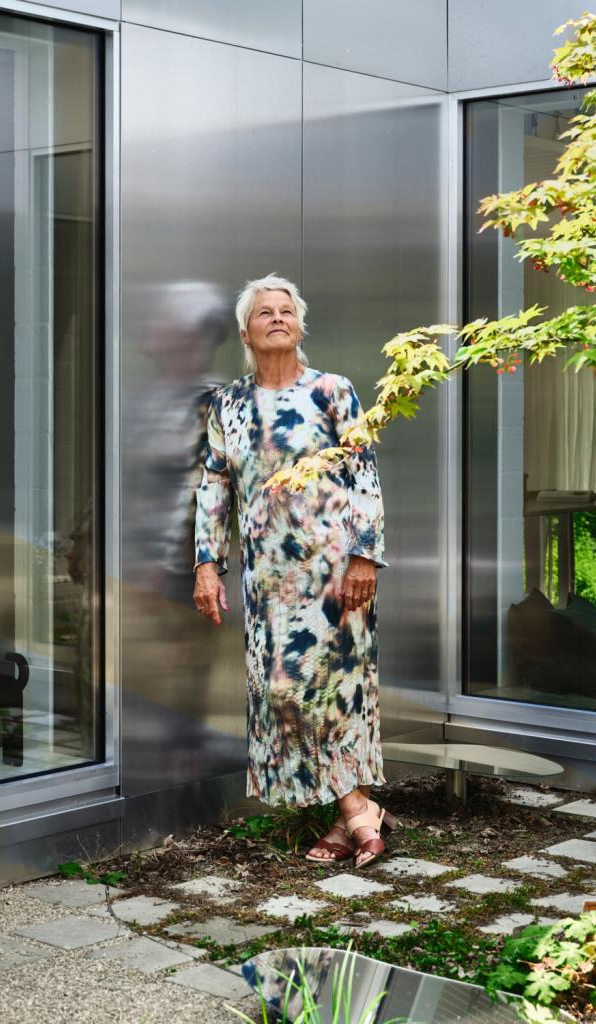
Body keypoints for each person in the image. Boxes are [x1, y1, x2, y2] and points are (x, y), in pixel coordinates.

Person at [193, 273, 394, 868]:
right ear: (245, 332)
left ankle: (353, 812)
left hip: (333, 573)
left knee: (328, 693)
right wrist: (208, 564)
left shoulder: (333, 391)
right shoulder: (228, 404)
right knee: (281, 690)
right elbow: (213, 487)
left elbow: (365, 477)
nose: (277, 318)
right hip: (267, 578)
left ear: (300, 325)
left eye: (287, 311)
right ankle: (353, 809)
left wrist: (364, 554)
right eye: (265, 313)